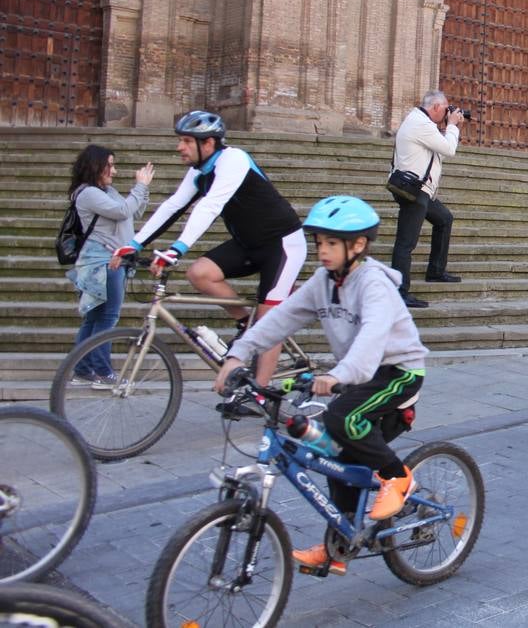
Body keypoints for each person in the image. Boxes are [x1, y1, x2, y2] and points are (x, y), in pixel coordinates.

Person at [213, 196, 428, 577]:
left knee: (340, 418)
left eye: (331, 243)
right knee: (332, 455)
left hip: (397, 371)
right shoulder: (324, 282)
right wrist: (237, 355)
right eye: (319, 242)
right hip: (355, 375)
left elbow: (371, 339)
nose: (322, 251)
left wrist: (337, 376)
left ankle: (398, 477)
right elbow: (282, 319)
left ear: (357, 245)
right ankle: (339, 547)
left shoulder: (373, 283)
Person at [118, 111, 304, 391]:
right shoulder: (199, 172)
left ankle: (260, 393)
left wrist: (177, 249)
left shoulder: (234, 159)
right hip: (248, 244)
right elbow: (172, 206)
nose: (179, 147)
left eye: (185, 141)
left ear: (208, 143)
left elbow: (210, 206)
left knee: (269, 323)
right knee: (200, 273)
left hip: (282, 244)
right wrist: (133, 244)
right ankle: (245, 323)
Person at [66, 145, 154, 388]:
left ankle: (83, 370)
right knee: (108, 317)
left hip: (112, 260)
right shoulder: (87, 194)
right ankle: (104, 373)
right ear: (96, 166)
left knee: (95, 317)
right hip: (104, 262)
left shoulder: (105, 190)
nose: (114, 171)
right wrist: (140, 186)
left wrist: (143, 191)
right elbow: (122, 210)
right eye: (110, 165)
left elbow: (133, 213)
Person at [390, 90, 466, 309]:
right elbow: (449, 149)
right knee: (406, 243)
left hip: (422, 189)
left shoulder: (422, 123)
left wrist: (450, 126)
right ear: (435, 107)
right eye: (445, 109)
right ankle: (400, 292)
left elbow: (439, 153)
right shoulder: (419, 124)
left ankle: (436, 271)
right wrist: (452, 125)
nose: (447, 113)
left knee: (444, 219)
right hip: (413, 190)